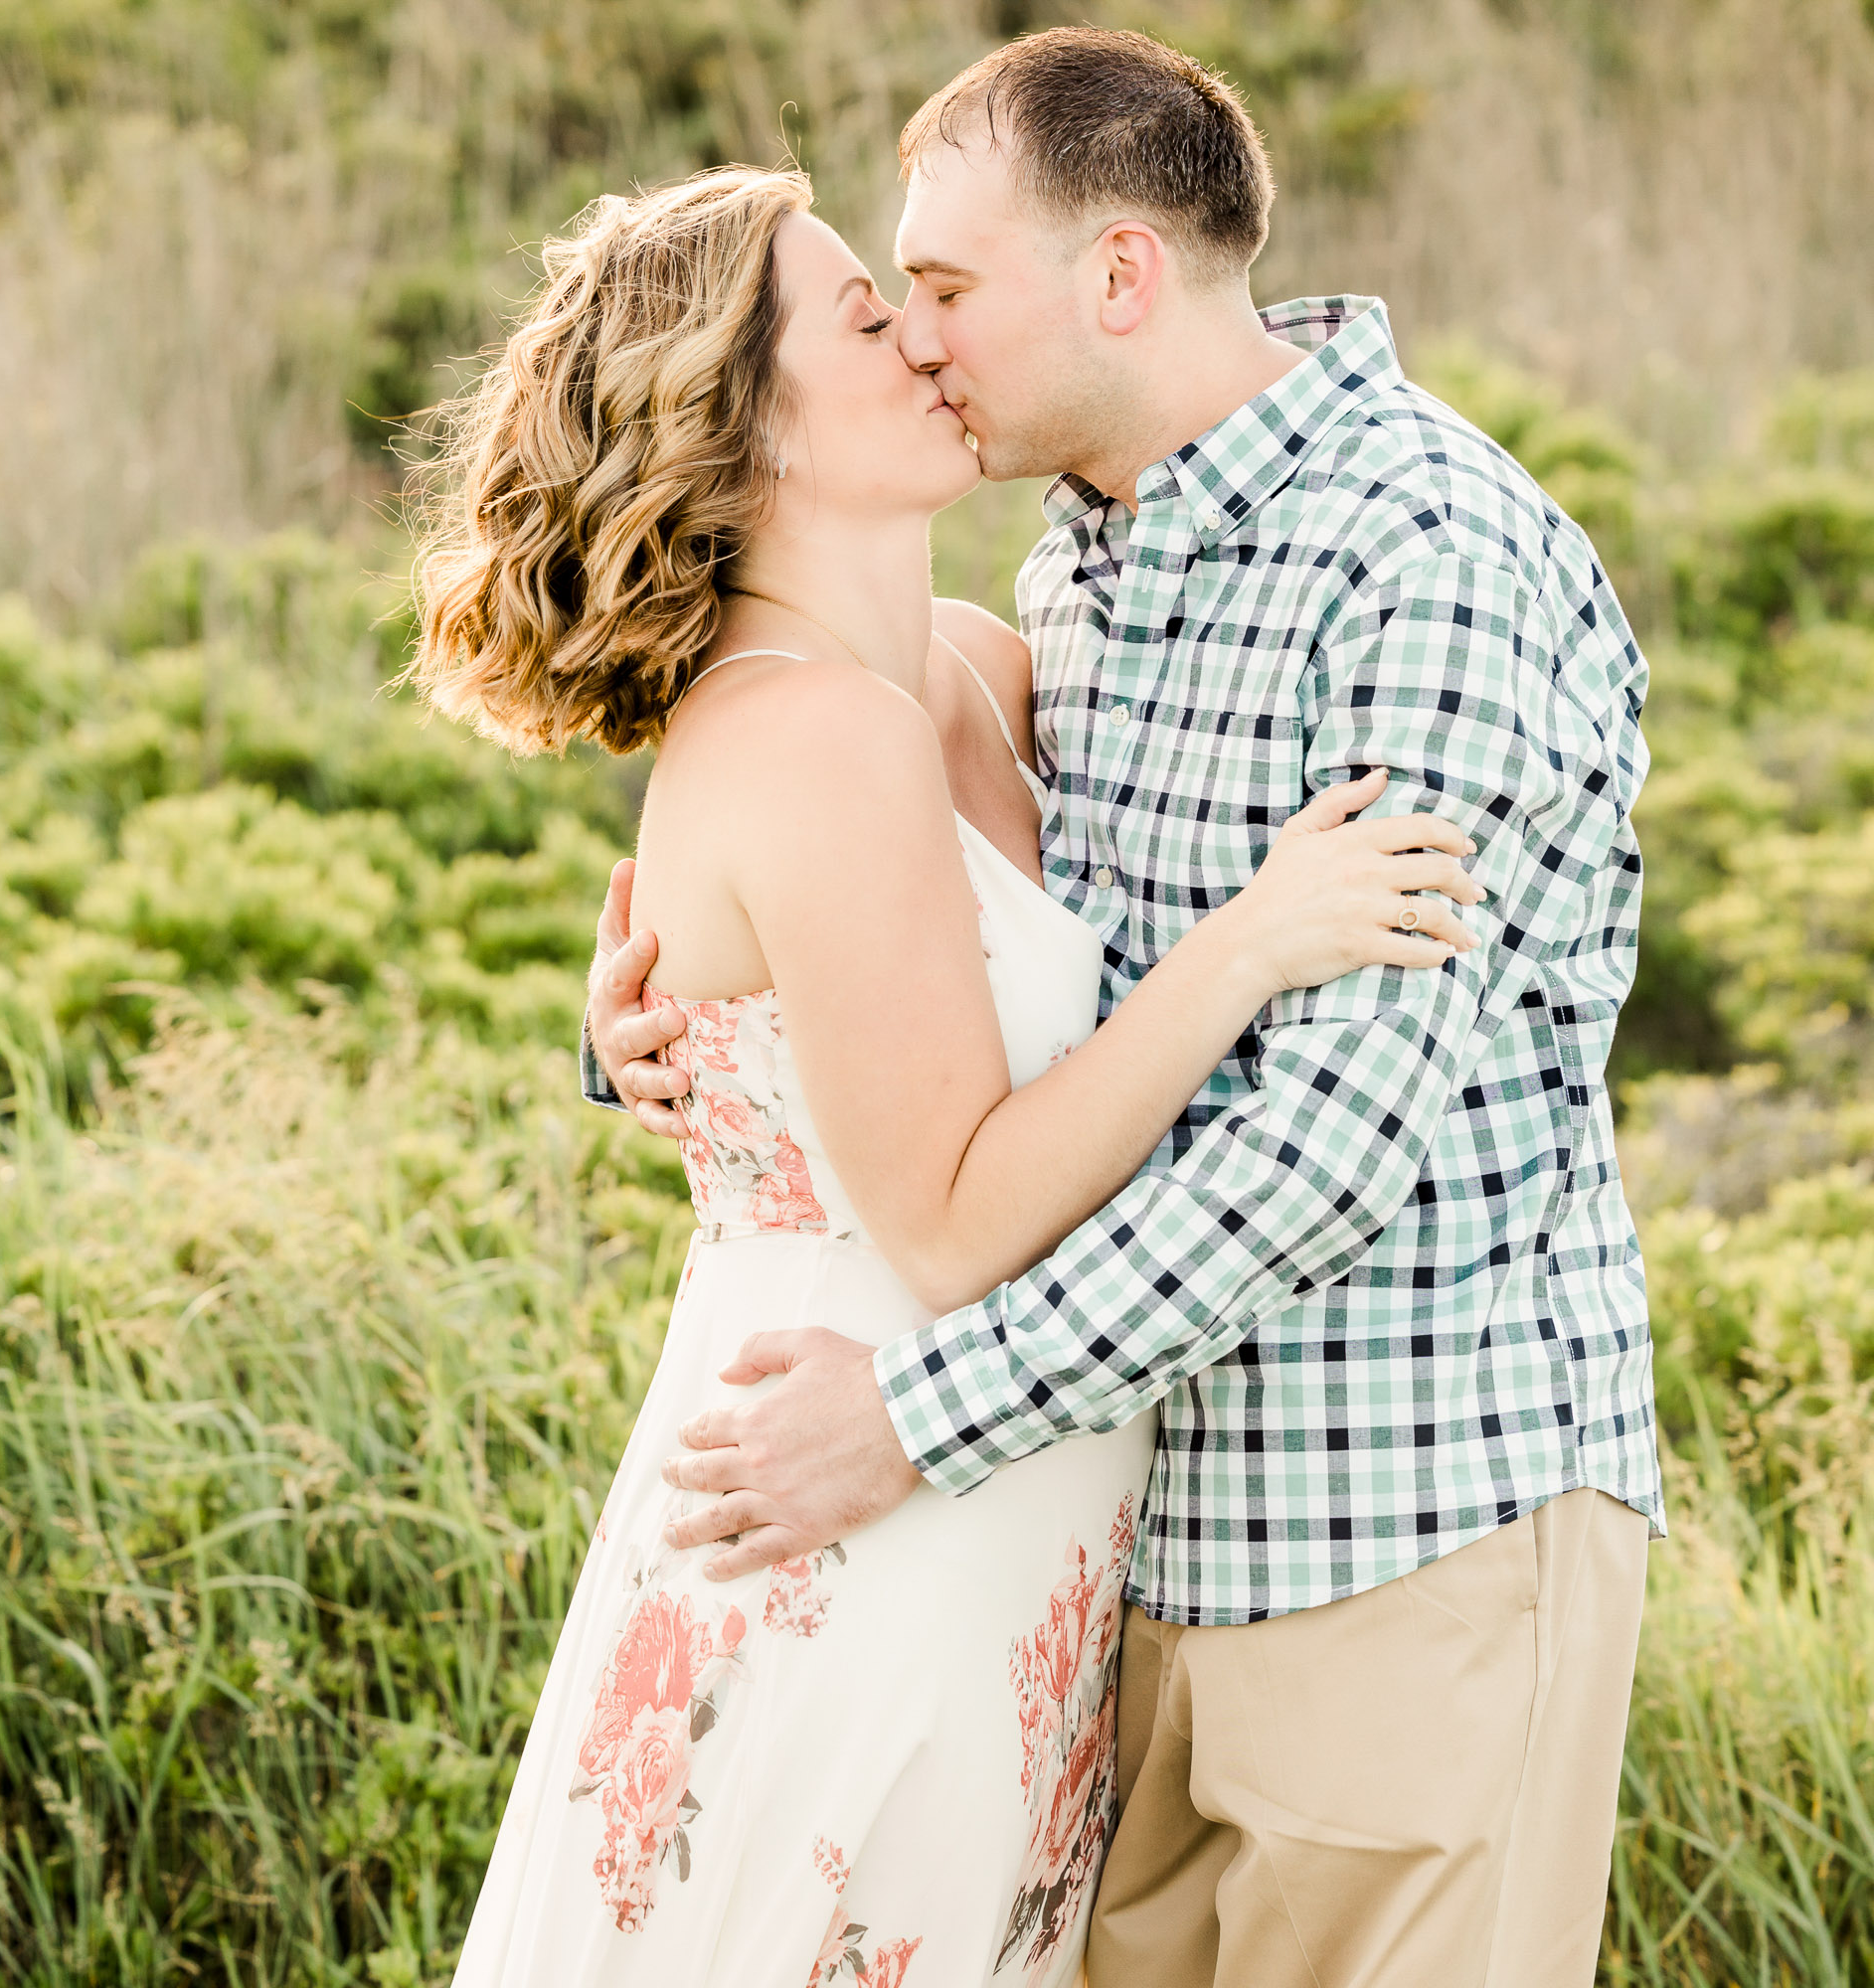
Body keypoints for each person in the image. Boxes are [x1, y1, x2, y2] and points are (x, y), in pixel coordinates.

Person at [587, 28, 1661, 1988]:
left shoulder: (1426, 555)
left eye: (945, 286)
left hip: (1399, 1536)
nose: (920, 339)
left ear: (1117, 279)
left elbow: (1328, 1152)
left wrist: (920, 1416)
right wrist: (673, 1027)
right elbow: (952, 967)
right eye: (890, 299)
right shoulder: (1069, 577)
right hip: (1118, 1562)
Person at [408, 124, 1489, 1983]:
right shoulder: (805, 737)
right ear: (743, 425)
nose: (922, 335)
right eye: (863, 313)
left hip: (1010, 1516)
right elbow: (953, 1218)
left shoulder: (982, 667)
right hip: (852, 1527)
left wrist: (639, 1046)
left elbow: (880, 1010)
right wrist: (1253, 948)